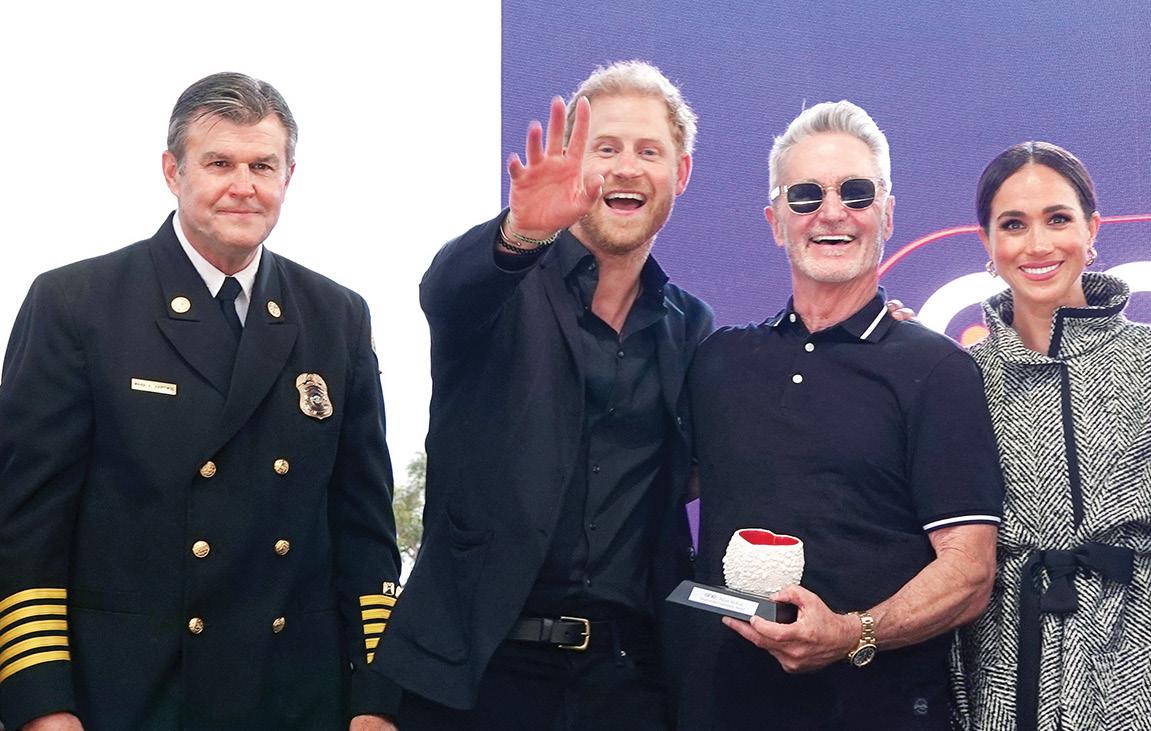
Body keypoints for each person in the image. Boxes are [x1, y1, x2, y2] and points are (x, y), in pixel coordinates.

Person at [0, 73, 401, 731]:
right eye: (219, 163)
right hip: (129, 698)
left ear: (288, 177)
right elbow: (26, 530)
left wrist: (375, 699)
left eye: (262, 165)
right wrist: (41, 703)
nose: (243, 185)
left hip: (293, 698)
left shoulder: (337, 317)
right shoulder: (77, 304)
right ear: (172, 171)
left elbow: (365, 530)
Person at [366, 61, 713, 730]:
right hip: (473, 678)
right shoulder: (502, 285)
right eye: (605, 148)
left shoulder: (691, 326)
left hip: (626, 684)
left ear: (682, 173)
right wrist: (520, 233)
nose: (626, 168)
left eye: (649, 151)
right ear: (573, 161)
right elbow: (446, 290)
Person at [678, 100, 1004, 730]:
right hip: (721, 707)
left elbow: (969, 572)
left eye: (855, 192)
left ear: (887, 213)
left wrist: (852, 634)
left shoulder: (937, 370)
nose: (832, 212)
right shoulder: (718, 361)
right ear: (776, 222)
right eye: (806, 196)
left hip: (879, 711)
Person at [951, 141, 1151, 731]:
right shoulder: (957, 376)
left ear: (1092, 229)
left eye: (1058, 219)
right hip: (1005, 669)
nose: (1038, 245)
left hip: (1143, 667)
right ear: (987, 243)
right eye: (1013, 224)